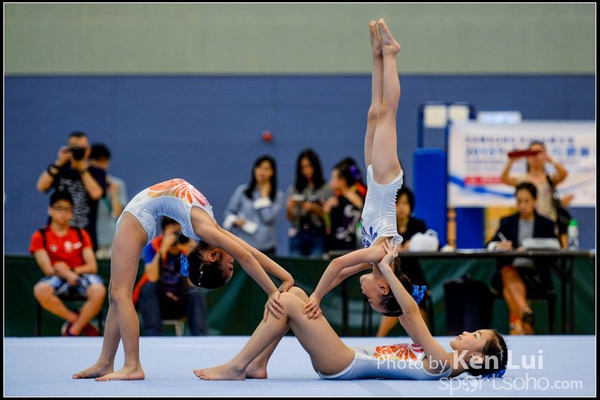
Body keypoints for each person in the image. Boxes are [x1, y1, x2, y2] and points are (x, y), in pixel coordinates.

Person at [194, 217, 508, 380]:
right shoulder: (439, 358)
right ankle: (258, 364)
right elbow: (404, 312)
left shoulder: (441, 364)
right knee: (295, 294)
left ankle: (237, 366)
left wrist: (387, 268)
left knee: (286, 301)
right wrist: (378, 260)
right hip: (346, 357)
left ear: (478, 359)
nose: (467, 332)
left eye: (476, 336)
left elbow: (411, 312)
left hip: (343, 364)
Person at [72, 178, 294, 381]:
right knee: (115, 295)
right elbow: (249, 253)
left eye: (230, 266)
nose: (233, 259)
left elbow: (246, 256)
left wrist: (273, 291)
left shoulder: (207, 229)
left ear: (213, 256)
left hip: (137, 216)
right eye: (231, 266)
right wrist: (285, 278)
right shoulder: (209, 228)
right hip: (139, 214)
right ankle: (105, 362)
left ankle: (132, 365)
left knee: (120, 294)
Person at [29, 189, 107, 336]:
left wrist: (70, 272)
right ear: (50, 210)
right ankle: (75, 320)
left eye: (67, 209)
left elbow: (92, 266)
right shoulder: (40, 236)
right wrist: (65, 274)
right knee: (40, 290)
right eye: (59, 208)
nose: (63, 213)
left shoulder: (81, 234)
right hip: (56, 277)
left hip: (80, 275)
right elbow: (47, 269)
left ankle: (73, 330)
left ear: (72, 213)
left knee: (99, 290)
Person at [486, 181, 559, 335]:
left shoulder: (546, 224)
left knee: (508, 290)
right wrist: (499, 245)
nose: (522, 205)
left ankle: (526, 324)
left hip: (536, 276)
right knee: (508, 271)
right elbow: (490, 245)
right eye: (519, 201)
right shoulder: (507, 222)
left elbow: (555, 245)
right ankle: (526, 312)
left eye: (526, 201)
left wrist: (530, 246)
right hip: (508, 271)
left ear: (535, 200)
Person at [135, 217, 207, 336]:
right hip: (159, 303)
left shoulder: (189, 247)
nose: (176, 237)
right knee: (148, 288)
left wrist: (192, 255)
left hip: (181, 302)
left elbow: (193, 283)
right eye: (172, 234)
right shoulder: (153, 246)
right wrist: (162, 250)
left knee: (196, 292)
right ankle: (153, 337)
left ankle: (199, 337)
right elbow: (152, 278)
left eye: (179, 233)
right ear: (163, 234)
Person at [36, 131, 107, 251]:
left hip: (84, 236)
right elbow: (41, 187)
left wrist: (82, 170)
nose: (78, 152)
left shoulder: (96, 172)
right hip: (56, 236)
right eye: (74, 148)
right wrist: (58, 163)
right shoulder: (60, 169)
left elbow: (96, 194)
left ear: (88, 150)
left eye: (81, 149)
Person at [376, 185, 432, 337]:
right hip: (393, 276)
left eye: (405, 203)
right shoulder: (387, 228)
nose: (401, 207)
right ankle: (378, 339)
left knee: (418, 308)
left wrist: (415, 244)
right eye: (398, 203)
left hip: (415, 277)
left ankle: (424, 341)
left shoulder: (418, 225)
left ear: (410, 206)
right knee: (395, 304)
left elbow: (433, 243)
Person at [500, 140, 571, 248]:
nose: (535, 157)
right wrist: (511, 162)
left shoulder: (549, 178)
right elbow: (504, 179)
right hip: (529, 225)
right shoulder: (522, 179)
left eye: (539, 153)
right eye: (532, 153)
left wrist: (550, 159)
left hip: (548, 226)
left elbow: (564, 174)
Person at [222, 155, 285, 255]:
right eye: (259, 167)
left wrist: (263, 197)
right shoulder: (242, 191)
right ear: (255, 169)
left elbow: (268, 219)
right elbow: (229, 212)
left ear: (272, 172)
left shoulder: (278, 196)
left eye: (266, 169)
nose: (262, 172)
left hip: (266, 247)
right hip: (243, 244)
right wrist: (235, 220)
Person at [286, 148, 333, 258]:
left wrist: (315, 209)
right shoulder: (294, 189)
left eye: (309, 166)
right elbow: (290, 218)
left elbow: (329, 219)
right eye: (303, 167)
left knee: (315, 264)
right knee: (295, 263)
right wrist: (289, 208)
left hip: (318, 234)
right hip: (298, 232)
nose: (307, 171)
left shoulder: (326, 188)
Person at [89, 143, 128, 260]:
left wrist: (114, 194)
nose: (101, 165)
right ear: (90, 161)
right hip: (87, 238)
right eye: (97, 161)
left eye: (104, 161)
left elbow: (117, 213)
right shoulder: (83, 184)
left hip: (108, 239)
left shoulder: (117, 184)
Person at [322, 157, 365, 259]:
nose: (330, 182)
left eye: (333, 178)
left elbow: (329, 229)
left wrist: (326, 212)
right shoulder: (357, 197)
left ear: (342, 181)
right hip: (345, 247)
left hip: (345, 247)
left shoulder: (337, 202)